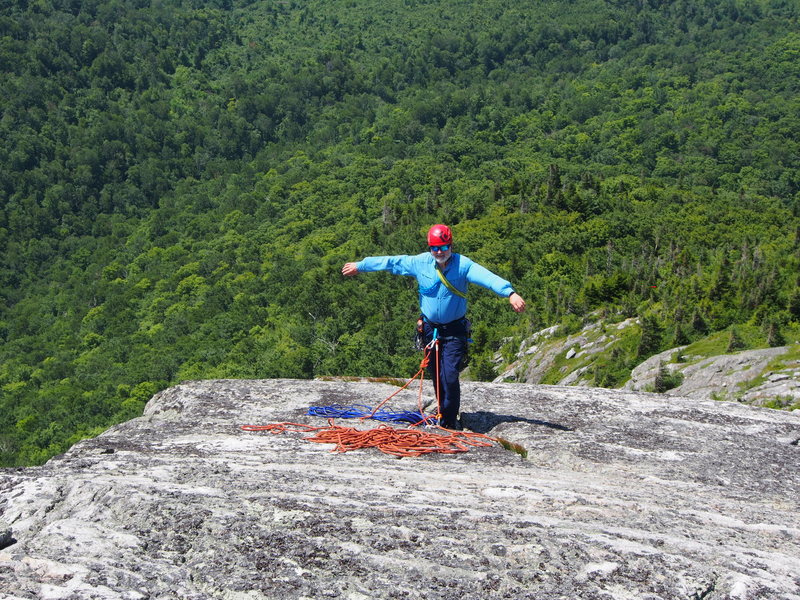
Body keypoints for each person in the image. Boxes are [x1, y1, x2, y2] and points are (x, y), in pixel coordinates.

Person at [342, 224, 526, 429]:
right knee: (437, 376)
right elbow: (392, 262)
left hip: (455, 330)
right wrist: (361, 265)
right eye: (435, 248)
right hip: (430, 330)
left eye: (443, 247)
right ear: (430, 248)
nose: (439, 252)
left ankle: (448, 423)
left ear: (451, 246)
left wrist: (510, 293)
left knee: (449, 375)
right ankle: (443, 412)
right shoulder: (420, 262)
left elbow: (487, 277)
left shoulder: (463, 265)